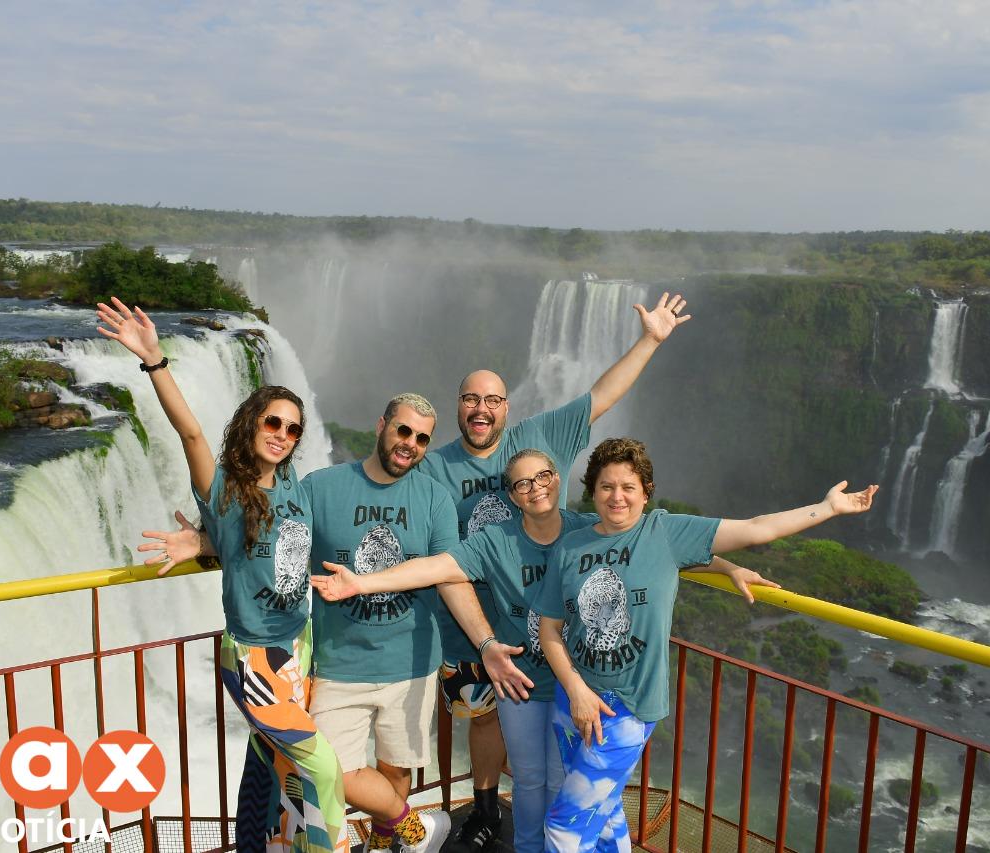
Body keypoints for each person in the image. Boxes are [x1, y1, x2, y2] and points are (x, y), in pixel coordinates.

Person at [308, 447, 776, 853]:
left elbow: (651, 543)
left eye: (544, 477)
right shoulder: (497, 541)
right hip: (524, 684)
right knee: (530, 781)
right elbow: (435, 566)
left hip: (582, 688)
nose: (535, 488)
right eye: (522, 484)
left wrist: (725, 566)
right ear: (512, 496)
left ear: (557, 480)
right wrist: (362, 582)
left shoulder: (585, 528)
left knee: (561, 787)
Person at [145, 393, 525, 853]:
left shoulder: (433, 499)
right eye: (403, 430)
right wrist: (207, 541)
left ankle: (392, 844)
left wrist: (485, 644)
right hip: (334, 664)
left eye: (422, 438)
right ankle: (416, 828)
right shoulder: (321, 488)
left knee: (397, 769)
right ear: (382, 424)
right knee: (331, 773)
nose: (410, 444)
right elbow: (268, 530)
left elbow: (449, 575)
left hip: (411, 666)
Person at [417, 292, 692, 849]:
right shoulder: (436, 465)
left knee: (562, 769)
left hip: (560, 643)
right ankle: (495, 814)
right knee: (495, 733)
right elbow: (430, 547)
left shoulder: (537, 440)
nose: (481, 409)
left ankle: (541, 834)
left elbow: (601, 396)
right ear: (458, 405)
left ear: (506, 408)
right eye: (471, 399)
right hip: (476, 636)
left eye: (492, 399)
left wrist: (651, 339)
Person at [535, 437, 877, 853]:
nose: (617, 497)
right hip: (574, 702)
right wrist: (575, 690)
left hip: (627, 708)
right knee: (604, 815)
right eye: (607, 486)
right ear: (593, 491)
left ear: (646, 491)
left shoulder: (664, 531)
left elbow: (756, 528)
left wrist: (827, 508)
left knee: (564, 827)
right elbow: (550, 628)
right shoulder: (571, 546)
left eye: (628, 486)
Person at [96, 297, 348, 853]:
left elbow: (273, 550)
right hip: (254, 658)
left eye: (292, 429)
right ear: (252, 423)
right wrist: (155, 361)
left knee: (271, 764)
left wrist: (206, 543)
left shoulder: (294, 490)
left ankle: (255, 844)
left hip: (298, 646)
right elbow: (190, 435)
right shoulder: (226, 490)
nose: (282, 433)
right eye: (272, 422)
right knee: (323, 769)